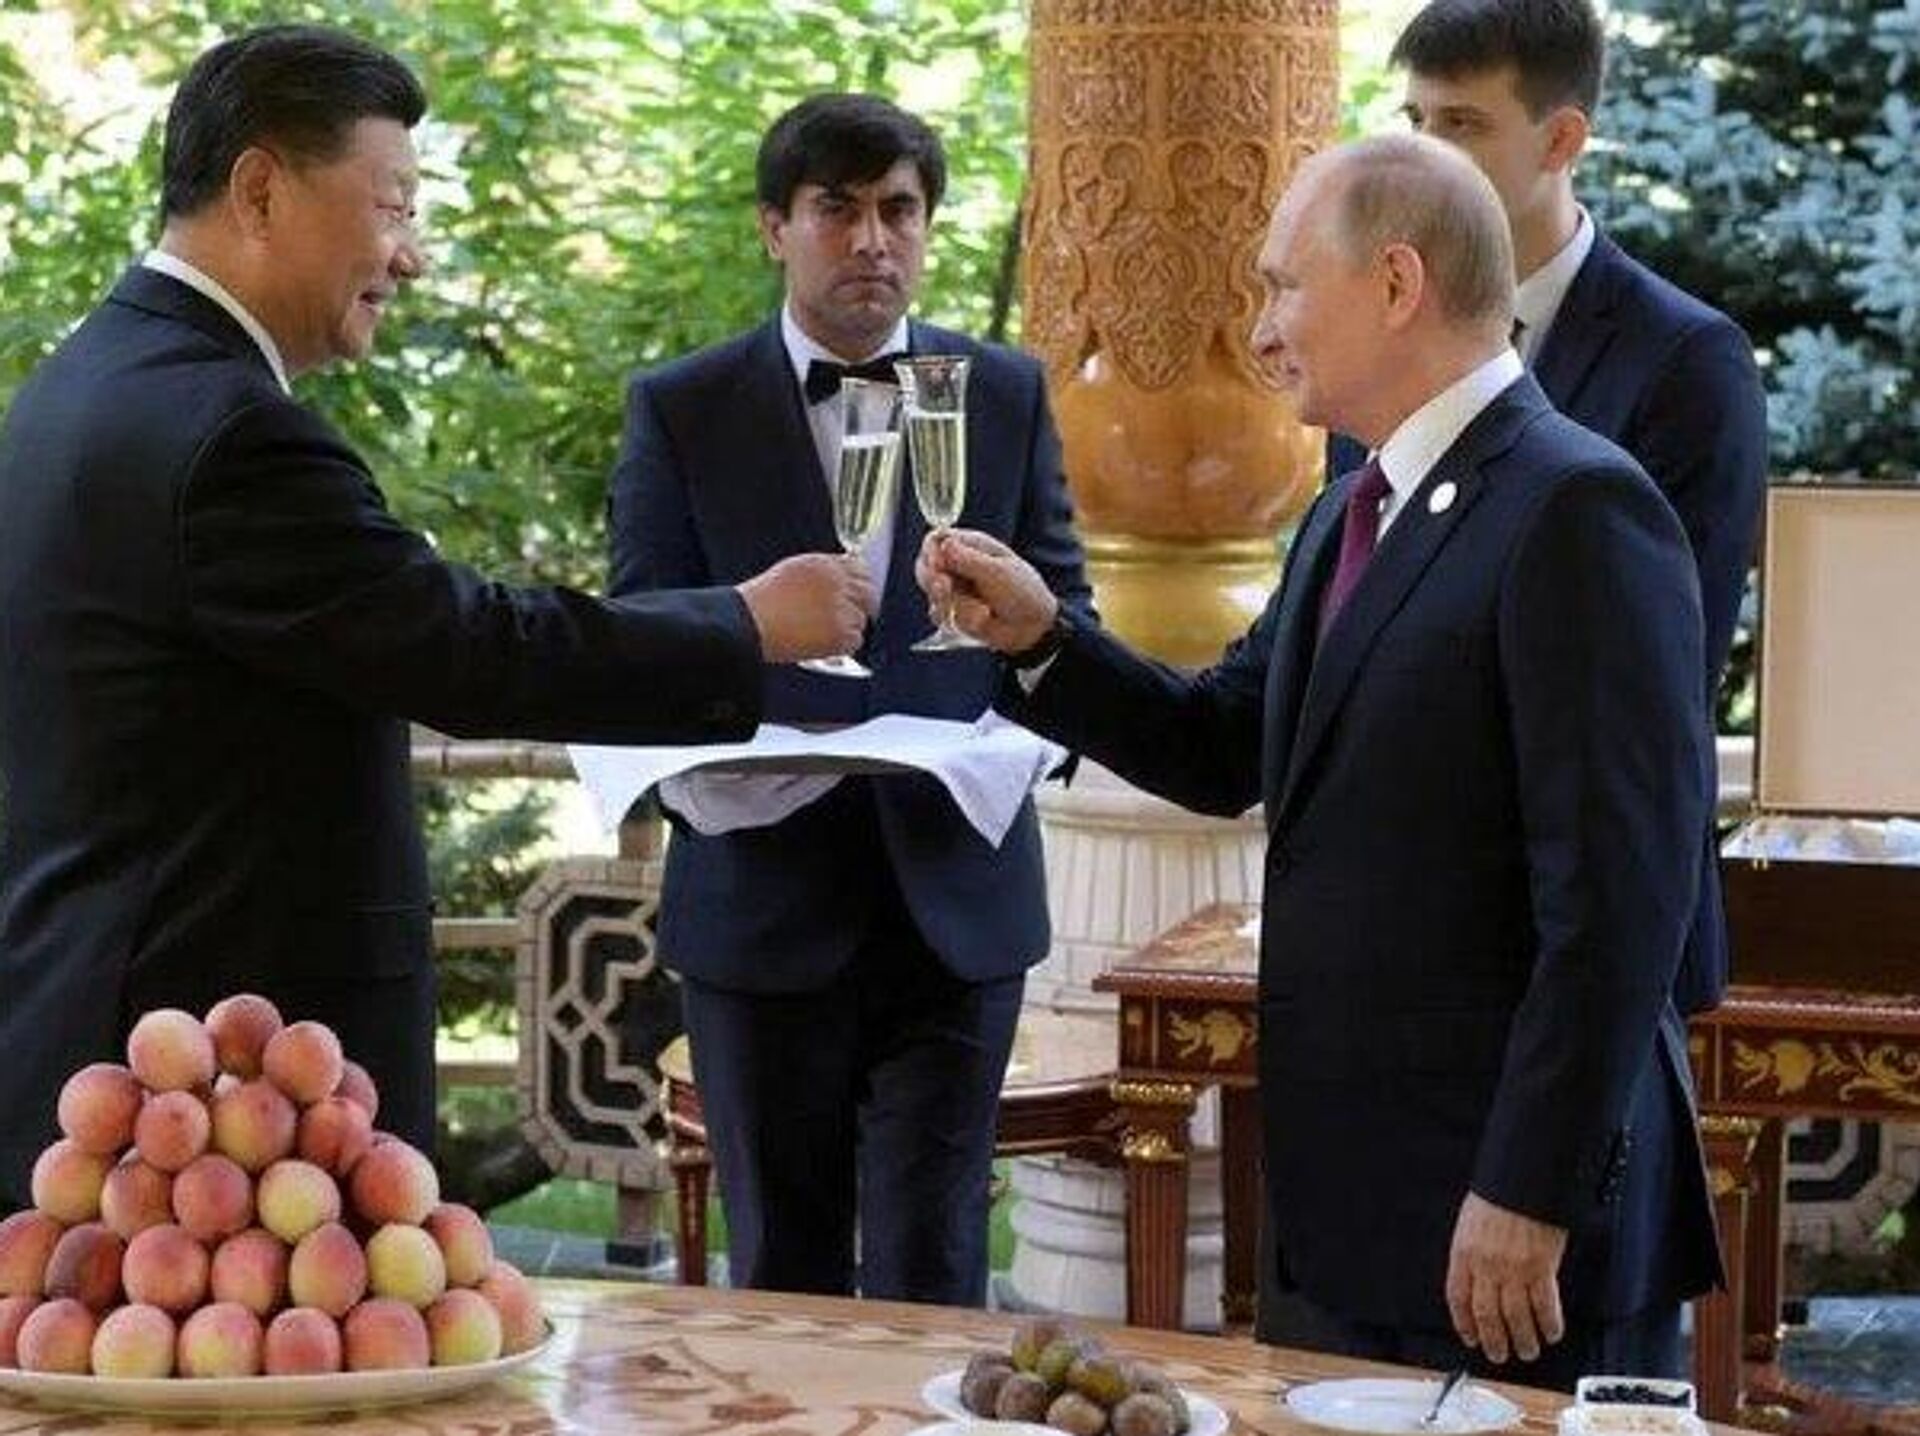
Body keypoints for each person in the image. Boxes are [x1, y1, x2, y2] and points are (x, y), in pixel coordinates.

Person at [0, 24, 873, 1210]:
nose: (408, 256)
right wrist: (746, 622)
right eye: (393, 207)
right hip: (216, 1088)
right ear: (259, 190)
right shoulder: (232, 433)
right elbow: (465, 647)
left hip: (110, 1026)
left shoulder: (82, 384)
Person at [921, 134, 1721, 1384]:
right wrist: (1041, 640)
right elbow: (1221, 742)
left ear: (1396, 283)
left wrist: (1530, 1184)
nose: (1262, 327)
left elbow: (1622, 901)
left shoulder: (1576, 508)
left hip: (1509, 1233)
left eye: (1285, 284)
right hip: (1353, 1215)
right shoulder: (1351, 505)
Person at [607, 92, 1090, 1305]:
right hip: (761, 902)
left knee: (937, 1268)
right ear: (775, 226)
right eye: (838, 208)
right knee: (785, 1275)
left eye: (899, 209)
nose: (873, 239)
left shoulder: (1004, 391)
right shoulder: (682, 405)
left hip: (957, 897)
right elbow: (642, 635)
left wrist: (1027, 737)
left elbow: (1063, 624)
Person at [1335, 0, 1770, 1015]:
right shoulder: (1374, 347)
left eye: (1462, 124)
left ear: (1562, 139)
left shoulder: (1687, 361)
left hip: (1592, 947)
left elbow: (1663, 680)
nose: (1424, 157)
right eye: (1414, 121)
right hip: (1396, 934)